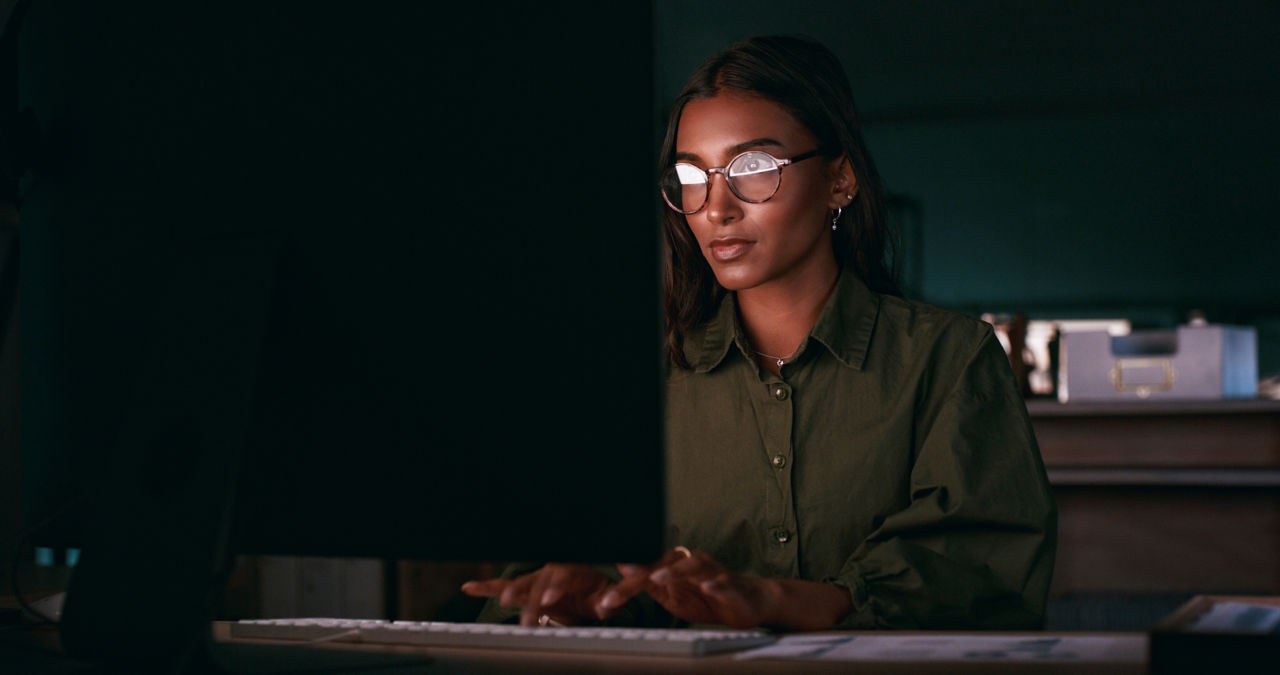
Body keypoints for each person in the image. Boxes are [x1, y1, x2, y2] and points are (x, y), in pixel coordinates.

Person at [462, 35, 1056, 631]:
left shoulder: (947, 360)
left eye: (753, 168)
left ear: (839, 180)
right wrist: (576, 604)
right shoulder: (636, 383)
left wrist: (773, 602)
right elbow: (565, 574)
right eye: (691, 176)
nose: (717, 206)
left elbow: (976, 569)